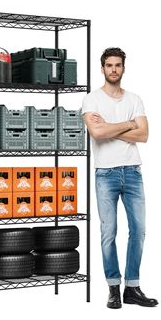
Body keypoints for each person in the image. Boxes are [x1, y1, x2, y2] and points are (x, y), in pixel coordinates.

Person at [81, 47, 158, 309]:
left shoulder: (135, 99)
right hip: (106, 173)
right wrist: (128, 124)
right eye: (109, 65)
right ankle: (113, 287)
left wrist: (110, 126)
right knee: (108, 232)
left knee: (139, 230)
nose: (114, 69)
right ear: (102, 69)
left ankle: (132, 287)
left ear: (124, 68)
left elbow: (144, 135)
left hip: (133, 171)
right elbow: (97, 133)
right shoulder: (91, 100)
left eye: (118, 65)